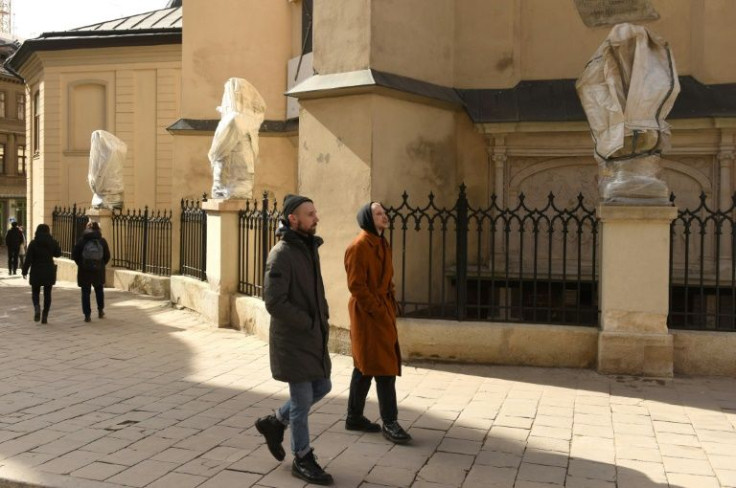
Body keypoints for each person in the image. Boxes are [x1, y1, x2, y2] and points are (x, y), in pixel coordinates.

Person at [255, 194, 333, 486]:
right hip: (293, 339)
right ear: (293, 219)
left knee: (323, 385)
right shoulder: (282, 254)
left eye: (315, 212)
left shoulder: (308, 248)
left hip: (311, 336)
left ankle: (274, 422)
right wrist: (308, 321)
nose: (316, 218)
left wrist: (321, 317)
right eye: (310, 214)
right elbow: (274, 302)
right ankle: (302, 457)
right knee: (301, 401)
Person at [344, 202, 412, 444]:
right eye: (378, 214)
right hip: (367, 313)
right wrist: (377, 310)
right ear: (367, 219)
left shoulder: (382, 242)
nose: (385, 216)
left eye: (385, 212)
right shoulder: (359, 246)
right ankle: (390, 422)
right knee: (382, 368)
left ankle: (354, 416)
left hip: (382, 309)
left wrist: (390, 304)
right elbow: (356, 286)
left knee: (366, 367)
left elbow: (388, 277)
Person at [21, 224, 61, 324]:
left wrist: (24, 271)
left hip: (36, 270)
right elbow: (58, 254)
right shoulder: (52, 242)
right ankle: (45, 315)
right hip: (48, 270)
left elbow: (28, 259)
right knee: (47, 294)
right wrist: (56, 244)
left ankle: (37, 307)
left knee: (35, 292)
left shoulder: (33, 243)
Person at [71, 221, 111, 322]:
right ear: (98, 229)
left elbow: (74, 255)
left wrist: (81, 263)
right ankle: (100, 310)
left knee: (85, 292)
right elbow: (107, 256)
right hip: (98, 270)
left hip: (84, 270)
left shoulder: (81, 241)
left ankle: (87, 315)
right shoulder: (102, 241)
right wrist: (101, 264)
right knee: (99, 290)